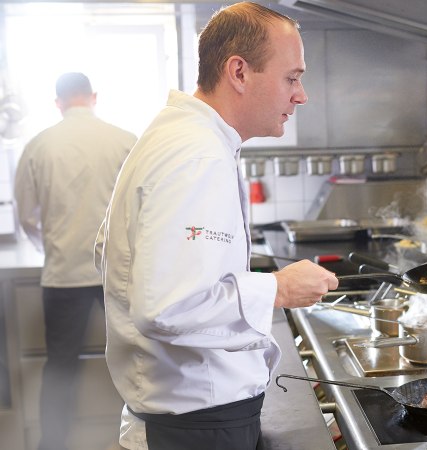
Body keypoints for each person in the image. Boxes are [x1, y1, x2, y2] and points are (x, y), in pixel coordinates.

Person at [94, 3, 339, 449]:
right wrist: (277, 289)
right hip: (195, 427)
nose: (301, 95)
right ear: (239, 72)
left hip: (188, 417)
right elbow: (167, 307)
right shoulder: (196, 155)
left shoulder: (182, 137)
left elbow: (114, 256)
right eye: (292, 77)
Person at [14, 72, 137, 450]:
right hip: (116, 275)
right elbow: (141, 209)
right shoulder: (125, 141)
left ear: (58, 102)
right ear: (93, 97)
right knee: (136, 359)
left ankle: (52, 443)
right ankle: (141, 439)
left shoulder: (39, 144)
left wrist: (53, 243)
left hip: (63, 274)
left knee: (60, 365)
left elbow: (27, 216)